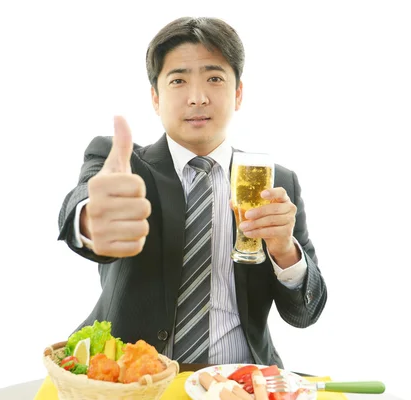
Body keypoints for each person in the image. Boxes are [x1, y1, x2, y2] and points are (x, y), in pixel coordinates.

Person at [57, 16, 327, 367]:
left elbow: (305, 313)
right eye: (179, 81)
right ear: (155, 97)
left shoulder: (277, 183)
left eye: (214, 79)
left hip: (239, 380)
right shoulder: (122, 164)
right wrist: (91, 220)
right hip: (135, 382)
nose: (197, 98)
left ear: (238, 93)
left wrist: (284, 251)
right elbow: (82, 202)